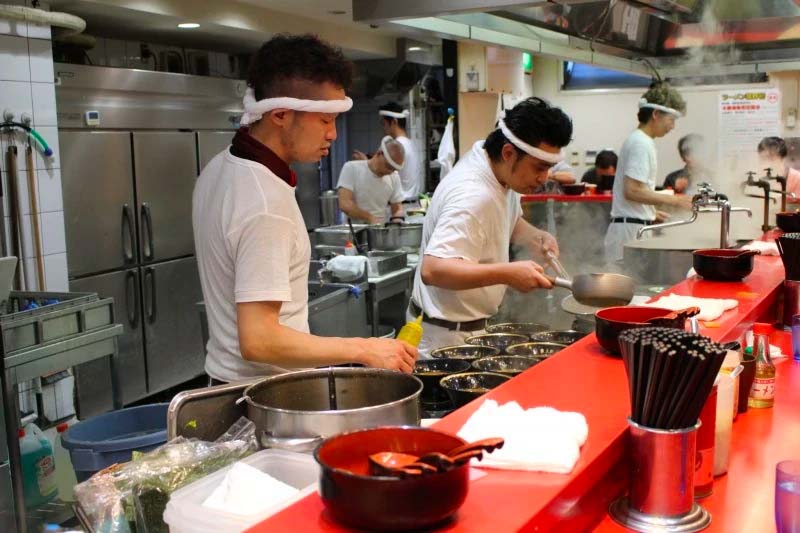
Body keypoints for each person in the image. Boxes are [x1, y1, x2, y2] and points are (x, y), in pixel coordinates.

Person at [192, 34, 417, 383]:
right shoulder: (264, 201)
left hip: (226, 385)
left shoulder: (220, 167)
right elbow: (260, 340)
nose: (333, 134)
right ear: (280, 114)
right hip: (262, 396)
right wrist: (363, 348)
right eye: (325, 120)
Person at [409, 97, 572, 356]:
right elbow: (434, 268)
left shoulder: (497, 167)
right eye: (539, 168)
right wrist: (508, 273)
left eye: (549, 168)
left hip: (466, 328)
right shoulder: (473, 194)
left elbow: (506, 220)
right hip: (444, 340)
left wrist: (534, 236)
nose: (544, 179)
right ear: (508, 153)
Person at [603, 82, 694, 269]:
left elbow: (635, 192)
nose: (672, 126)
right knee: (627, 289)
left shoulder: (642, 141)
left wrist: (651, 213)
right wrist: (677, 201)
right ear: (656, 115)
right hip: (629, 232)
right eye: (671, 119)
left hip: (632, 227)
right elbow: (633, 191)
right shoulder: (640, 143)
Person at [355, 102, 421, 201]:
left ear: (394, 122)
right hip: (413, 201)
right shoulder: (410, 143)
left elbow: (380, 174)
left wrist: (364, 161)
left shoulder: (396, 145)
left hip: (400, 203)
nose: (383, 128)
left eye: (384, 124)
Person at [337, 136, 405, 224]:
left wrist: (397, 220)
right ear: (379, 153)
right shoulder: (351, 168)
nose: (390, 172)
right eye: (388, 167)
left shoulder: (394, 176)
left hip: (379, 232)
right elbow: (345, 204)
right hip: (354, 231)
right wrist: (369, 218)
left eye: (394, 169)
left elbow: (397, 208)